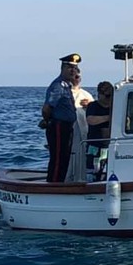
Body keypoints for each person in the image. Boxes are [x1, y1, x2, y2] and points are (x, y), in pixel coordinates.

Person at [41, 53, 81, 182]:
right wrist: (48, 120)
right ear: (63, 68)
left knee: (64, 157)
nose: (73, 71)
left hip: (67, 126)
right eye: (70, 67)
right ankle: (54, 184)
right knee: (58, 158)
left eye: (75, 68)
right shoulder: (58, 85)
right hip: (59, 125)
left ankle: (59, 182)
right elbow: (47, 108)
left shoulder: (67, 85)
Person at [65, 68, 94, 182]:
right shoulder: (63, 92)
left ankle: (80, 179)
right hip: (68, 132)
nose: (76, 78)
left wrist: (90, 105)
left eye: (78, 76)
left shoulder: (86, 95)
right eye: (74, 76)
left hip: (83, 134)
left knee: (81, 159)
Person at [85, 81, 114, 182]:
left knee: (111, 172)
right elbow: (91, 120)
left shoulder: (115, 107)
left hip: (110, 146)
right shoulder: (93, 106)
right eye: (107, 96)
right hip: (95, 146)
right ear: (99, 94)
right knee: (93, 173)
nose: (109, 98)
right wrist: (109, 118)